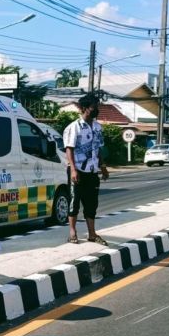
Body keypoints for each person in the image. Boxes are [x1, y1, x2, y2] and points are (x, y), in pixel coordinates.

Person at [62, 93, 108, 245]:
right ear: (83, 108)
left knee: (91, 203)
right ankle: (72, 232)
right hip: (78, 170)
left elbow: (99, 148)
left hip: (92, 170)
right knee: (74, 202)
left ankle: (92, 234)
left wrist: (103, 166)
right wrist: (73, 170)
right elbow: (69, 149)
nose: (96, 110)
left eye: (97, 107)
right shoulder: (74, 128)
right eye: (93, 107)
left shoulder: (97, 127)